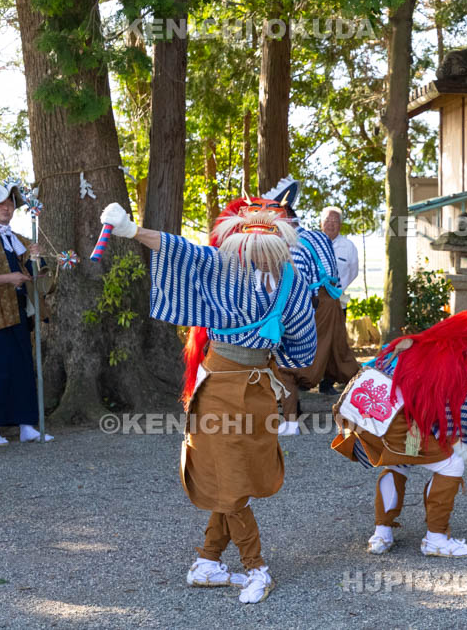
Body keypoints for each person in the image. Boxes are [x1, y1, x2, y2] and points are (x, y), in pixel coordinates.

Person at [99, 199, 316, 604]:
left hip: (259, 390)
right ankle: (256, 567)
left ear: (281, 250)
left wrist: (285, 367)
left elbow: (302, 344)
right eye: (253, 254)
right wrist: (131, 231)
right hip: (217, 385)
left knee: (234, 475)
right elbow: (179, 249)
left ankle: (207, 560)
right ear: (241, 249)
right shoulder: (223, 265)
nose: (260, 261)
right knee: (231, 475)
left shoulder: (293, 282)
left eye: (268, 255)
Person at [331, 311, 467, 557]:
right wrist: (455, 441)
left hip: (370, 422)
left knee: (399, 462)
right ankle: (436, 538)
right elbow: (455, 420)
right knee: (452, 465)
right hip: (403, 426)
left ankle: (381, 534)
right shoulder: (460, 361)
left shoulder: (410, 344)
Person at [261, 181, 360, 431]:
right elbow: (334, 274)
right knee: (343, 359)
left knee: (288, 363)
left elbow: (296, 285)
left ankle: (291, 421)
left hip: (313, 307)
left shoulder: (292, 244)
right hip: (332, 303)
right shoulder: (317, 237)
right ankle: (378, 401)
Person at [0, 182, 52, 446]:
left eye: (10, 204)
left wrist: (36, 258)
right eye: (0, 204)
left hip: (18, 313)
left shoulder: (18, 239)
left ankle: (26, 426)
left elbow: (37, 276)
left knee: (22, 368)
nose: (6, 208)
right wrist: (8, 278)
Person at [318, 205, 359, 395]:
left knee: (335, 341)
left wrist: (336, 291)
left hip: (338, 301)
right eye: (327, 220)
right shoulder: (313, 243)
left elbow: (353, 271)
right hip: (315, 302)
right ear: (321, 223)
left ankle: (329, 381)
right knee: (314, 339)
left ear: (340, 225)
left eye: (335, 221)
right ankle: (306, 377)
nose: (331, 224)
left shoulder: (348, 246)